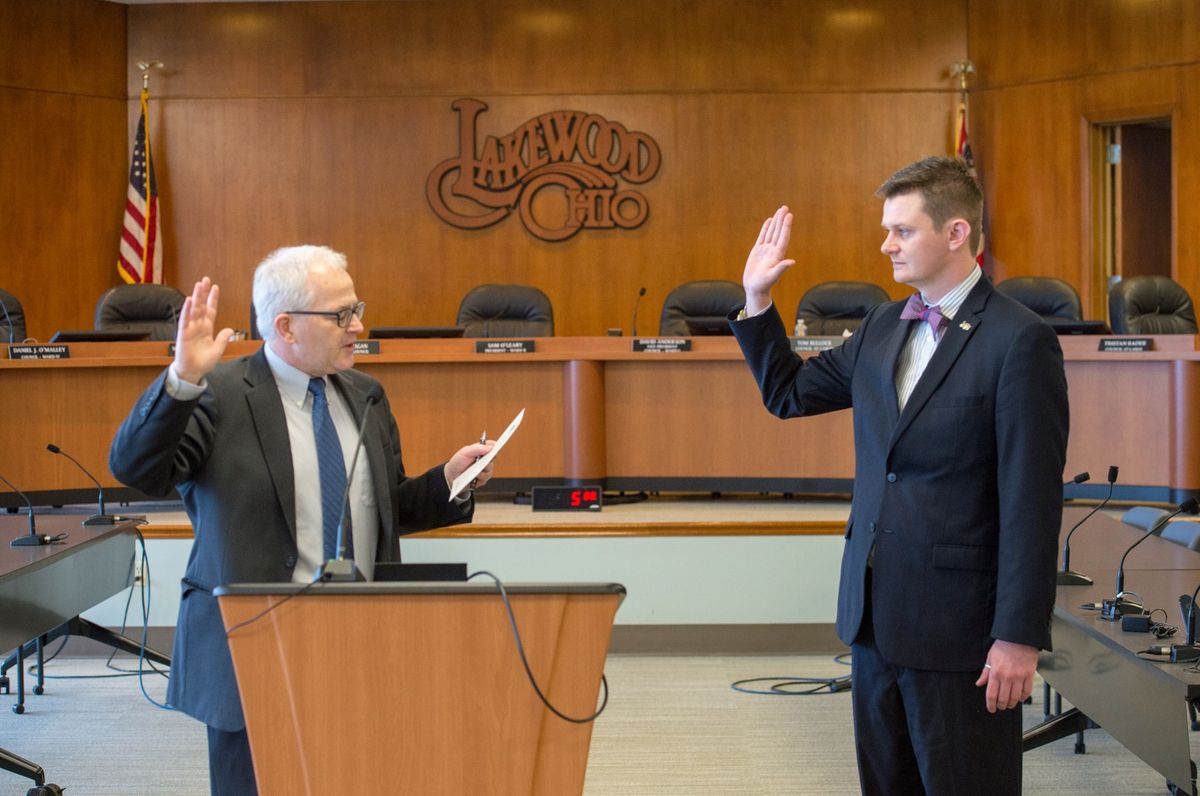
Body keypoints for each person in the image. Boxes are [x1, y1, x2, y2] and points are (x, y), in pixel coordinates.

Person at [731, 157, 1068, 794]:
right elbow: (789, 394)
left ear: (956, 232)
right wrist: (757, 300)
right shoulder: (885, 324)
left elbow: (1031, 500)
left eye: (901, 231)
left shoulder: (1019, 341)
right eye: (886, 229)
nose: (885, 244)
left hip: (963, 633)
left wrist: (1019, 637)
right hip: (874, 620)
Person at [109, 245, 494, 795]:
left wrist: (448, 481)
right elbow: (135, 469)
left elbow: (384, 510)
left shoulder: (366, 395)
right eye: (341, 315)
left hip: (360, 639)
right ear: (286, 326)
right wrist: (180, 380)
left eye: (356, 308)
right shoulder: (216, 395)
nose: (358, 325)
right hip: (255, 641)